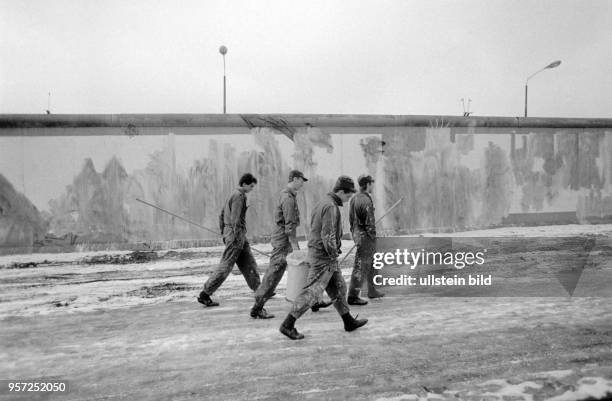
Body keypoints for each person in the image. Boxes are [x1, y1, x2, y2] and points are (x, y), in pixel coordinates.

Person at [279, 176, 368, 340]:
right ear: (341, 192)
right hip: (323, 257)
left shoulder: (324, 202)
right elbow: (328, 236)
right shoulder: (330, 207)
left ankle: (348, 321)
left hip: (322, 255)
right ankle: (288, 324)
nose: (348, 200)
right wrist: (333, 255)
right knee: (312, 293)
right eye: (348, 196)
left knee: (339, 288)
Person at [250, 170, 332, 319]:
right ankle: (257, 307)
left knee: (306, 266)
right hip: (284, 241)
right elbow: (289, 226)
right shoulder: (288, 198)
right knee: (274, 273)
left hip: (285, 239)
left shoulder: (289, 196)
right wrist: (294, 246)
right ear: (294, 179)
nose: (302, 183)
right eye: (301, 180)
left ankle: (313, 301)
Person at [197, 173, 261, 307]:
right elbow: (235, 219)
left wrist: (224, 233)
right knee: (225, 266)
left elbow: (221, 215)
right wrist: (236, 237)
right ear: (244, 184)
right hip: (236, 237)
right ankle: (205, 293)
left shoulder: (233, 194)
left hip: (234, 235)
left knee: (249, 262)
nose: (251, 189)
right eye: (251, 186)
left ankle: (260, 290)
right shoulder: (239, 196)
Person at [348, 174, 385, 305]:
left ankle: (372, 290)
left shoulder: (354, 198)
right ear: (368, 184)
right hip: (366, 238)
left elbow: (351, 220)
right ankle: (352, 296)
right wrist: (373, 237)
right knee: (361, 266)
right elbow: (369, 222)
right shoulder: (365, 200)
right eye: (372, 183)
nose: (373, 186)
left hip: (357, 234)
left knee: (373, 263)